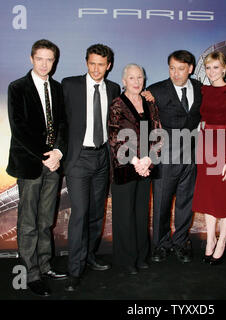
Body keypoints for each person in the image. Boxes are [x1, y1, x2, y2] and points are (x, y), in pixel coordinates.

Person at [7, 39, 67, 296]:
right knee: (29, 222)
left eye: (49, 59)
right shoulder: (17, 87)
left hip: (53, 164)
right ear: (32, 59)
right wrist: (46, 155)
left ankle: (44, 264)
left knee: (45, 220)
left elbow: (63, 124)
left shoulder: (56, 87)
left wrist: (58, 153)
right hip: (31, 164)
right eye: (40, 58)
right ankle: (30, 273)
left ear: (54, 62)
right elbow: (19, 129)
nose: (44, 64)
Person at [62, 44, 120, 291]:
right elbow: (60, 122)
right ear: (86, 62)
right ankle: (75, 269)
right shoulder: (70, 85)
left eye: (101, 64)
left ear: (109, 66)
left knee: (97, 213)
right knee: (80, 213)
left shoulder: (114, 88)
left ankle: (89, 255)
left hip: (102, 158)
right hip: (79, 159)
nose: (96, 69)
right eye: (92, 63)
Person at [148, 50, 202, 263]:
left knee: (185, 203)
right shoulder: (156, 91)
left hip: (190, 155)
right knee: (161, 203)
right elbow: (147, 124)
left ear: (190, 69)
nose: (176, 73)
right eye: (172, 68)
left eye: (181, 69)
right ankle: (161, 244)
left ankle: (180, 242)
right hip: (165, 156)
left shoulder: (200, 89)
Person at [108, 64, 162, 275]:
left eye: (139, 77)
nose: (136, 81)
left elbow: (158, 133)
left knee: (141, 214)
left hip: (146, 167)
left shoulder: (150, 104)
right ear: (124, 81)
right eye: (132, 78)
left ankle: (141, 257)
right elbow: (114, 139)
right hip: (125, 167)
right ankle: (126, 260)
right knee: (124, 216)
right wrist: (136, 162)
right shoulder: (117, 104)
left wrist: (148, 159)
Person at [192, 51, 226, 265]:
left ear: (224, 69)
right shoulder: (203, 90)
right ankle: (210, 240)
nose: (212, 72)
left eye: (216, 67)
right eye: (208, 67)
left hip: (223, 145)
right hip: (206, 144)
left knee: (224, 198)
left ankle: (221, 242)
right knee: (209, 197)